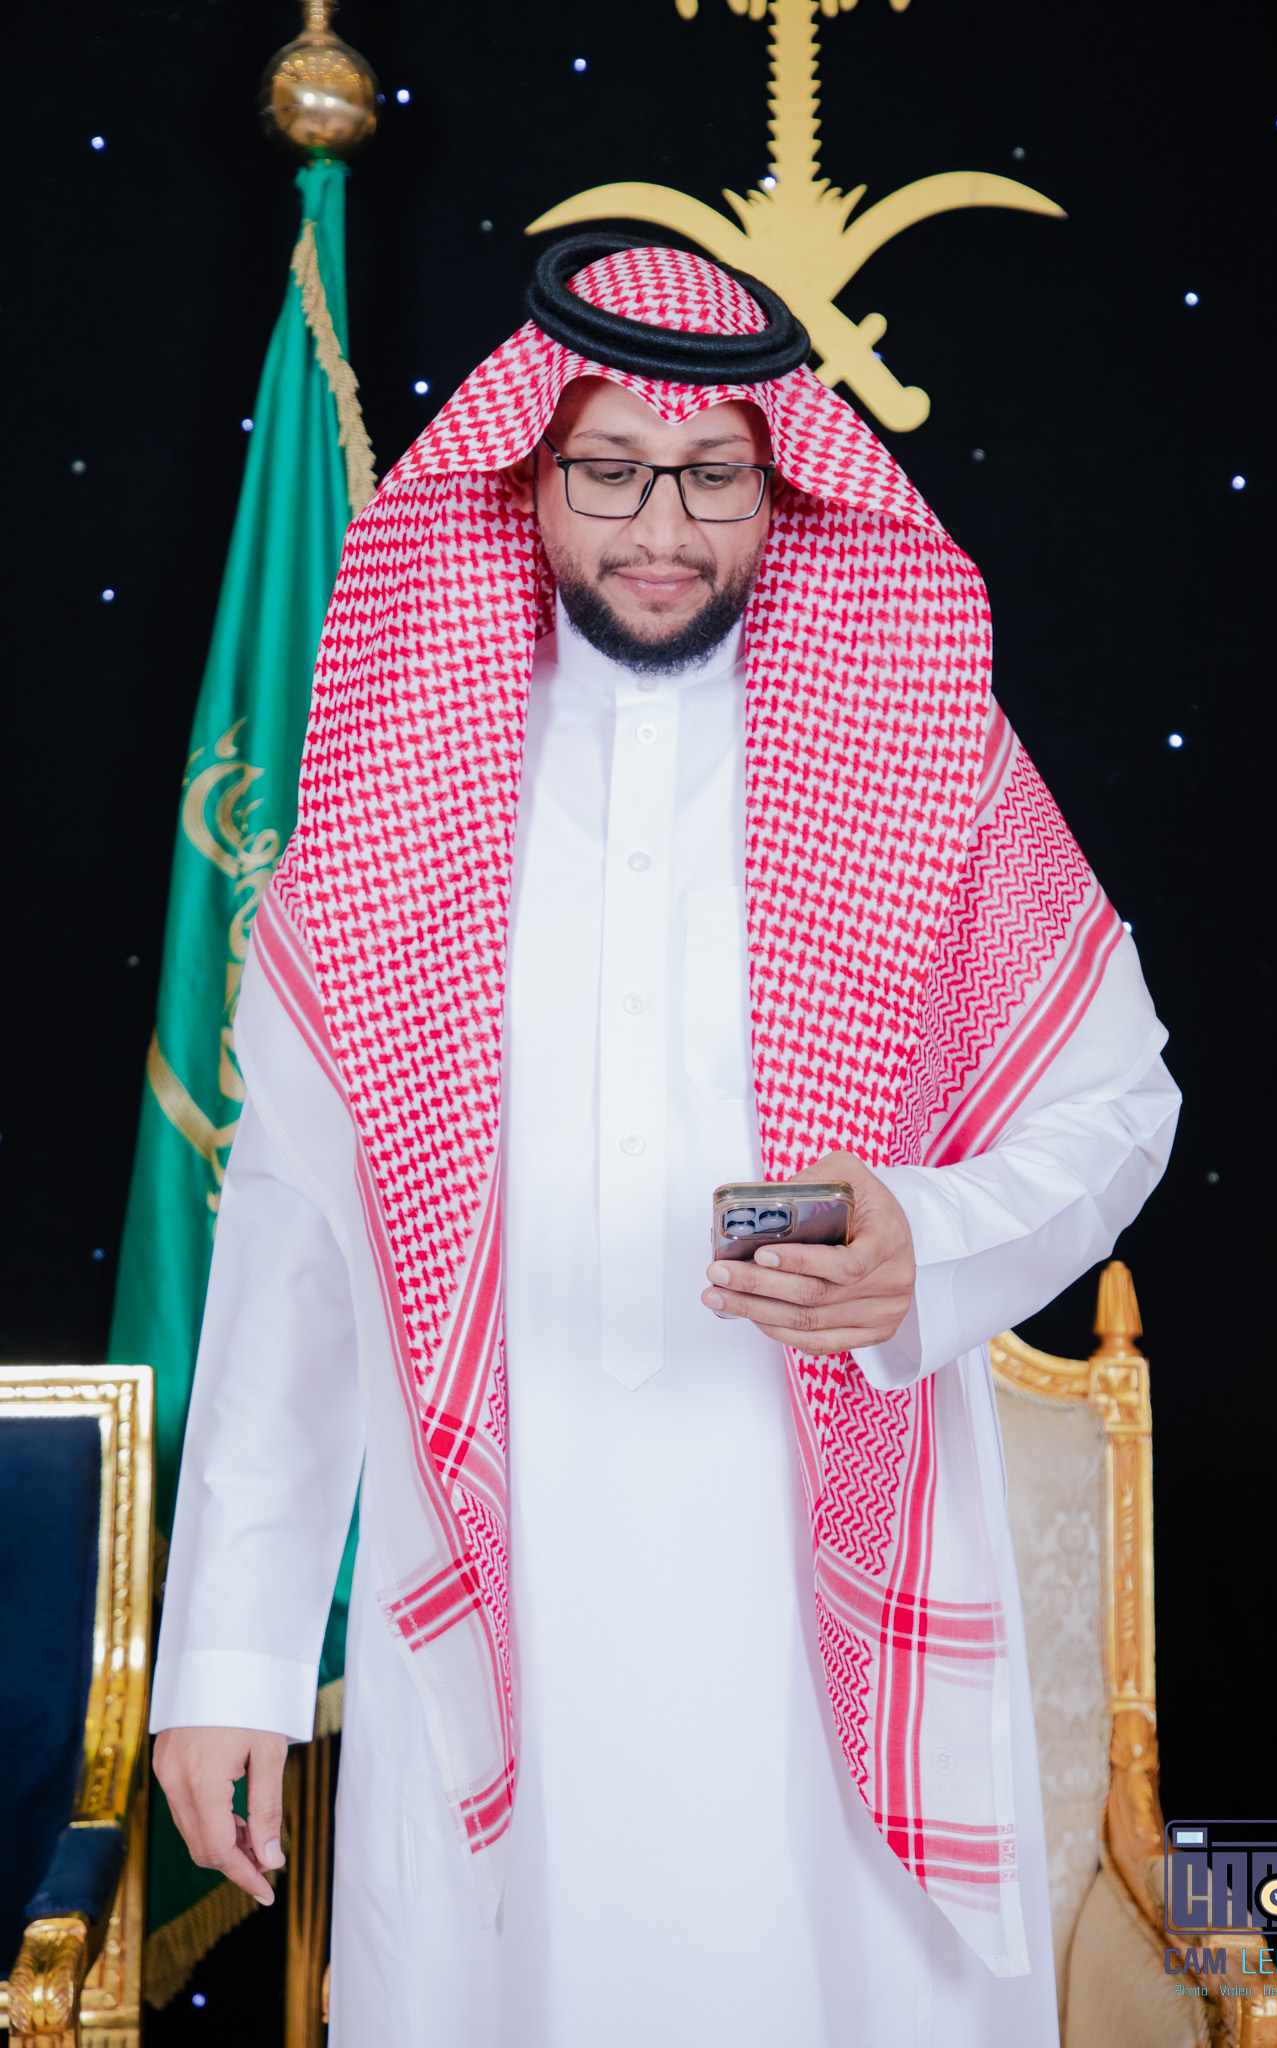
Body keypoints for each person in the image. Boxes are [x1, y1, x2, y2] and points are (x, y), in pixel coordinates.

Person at [150, 239, 1179, 2047]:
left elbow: (1119, 1104)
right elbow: (298, 1240)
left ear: (783, 492)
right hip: (493, 1571)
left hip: (815, 1574)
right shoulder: (398, 773)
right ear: (525, 476)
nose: (662, 527)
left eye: (713, 478)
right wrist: (229, 1653)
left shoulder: (923, 750)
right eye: (612, 471)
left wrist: (926, 1239)